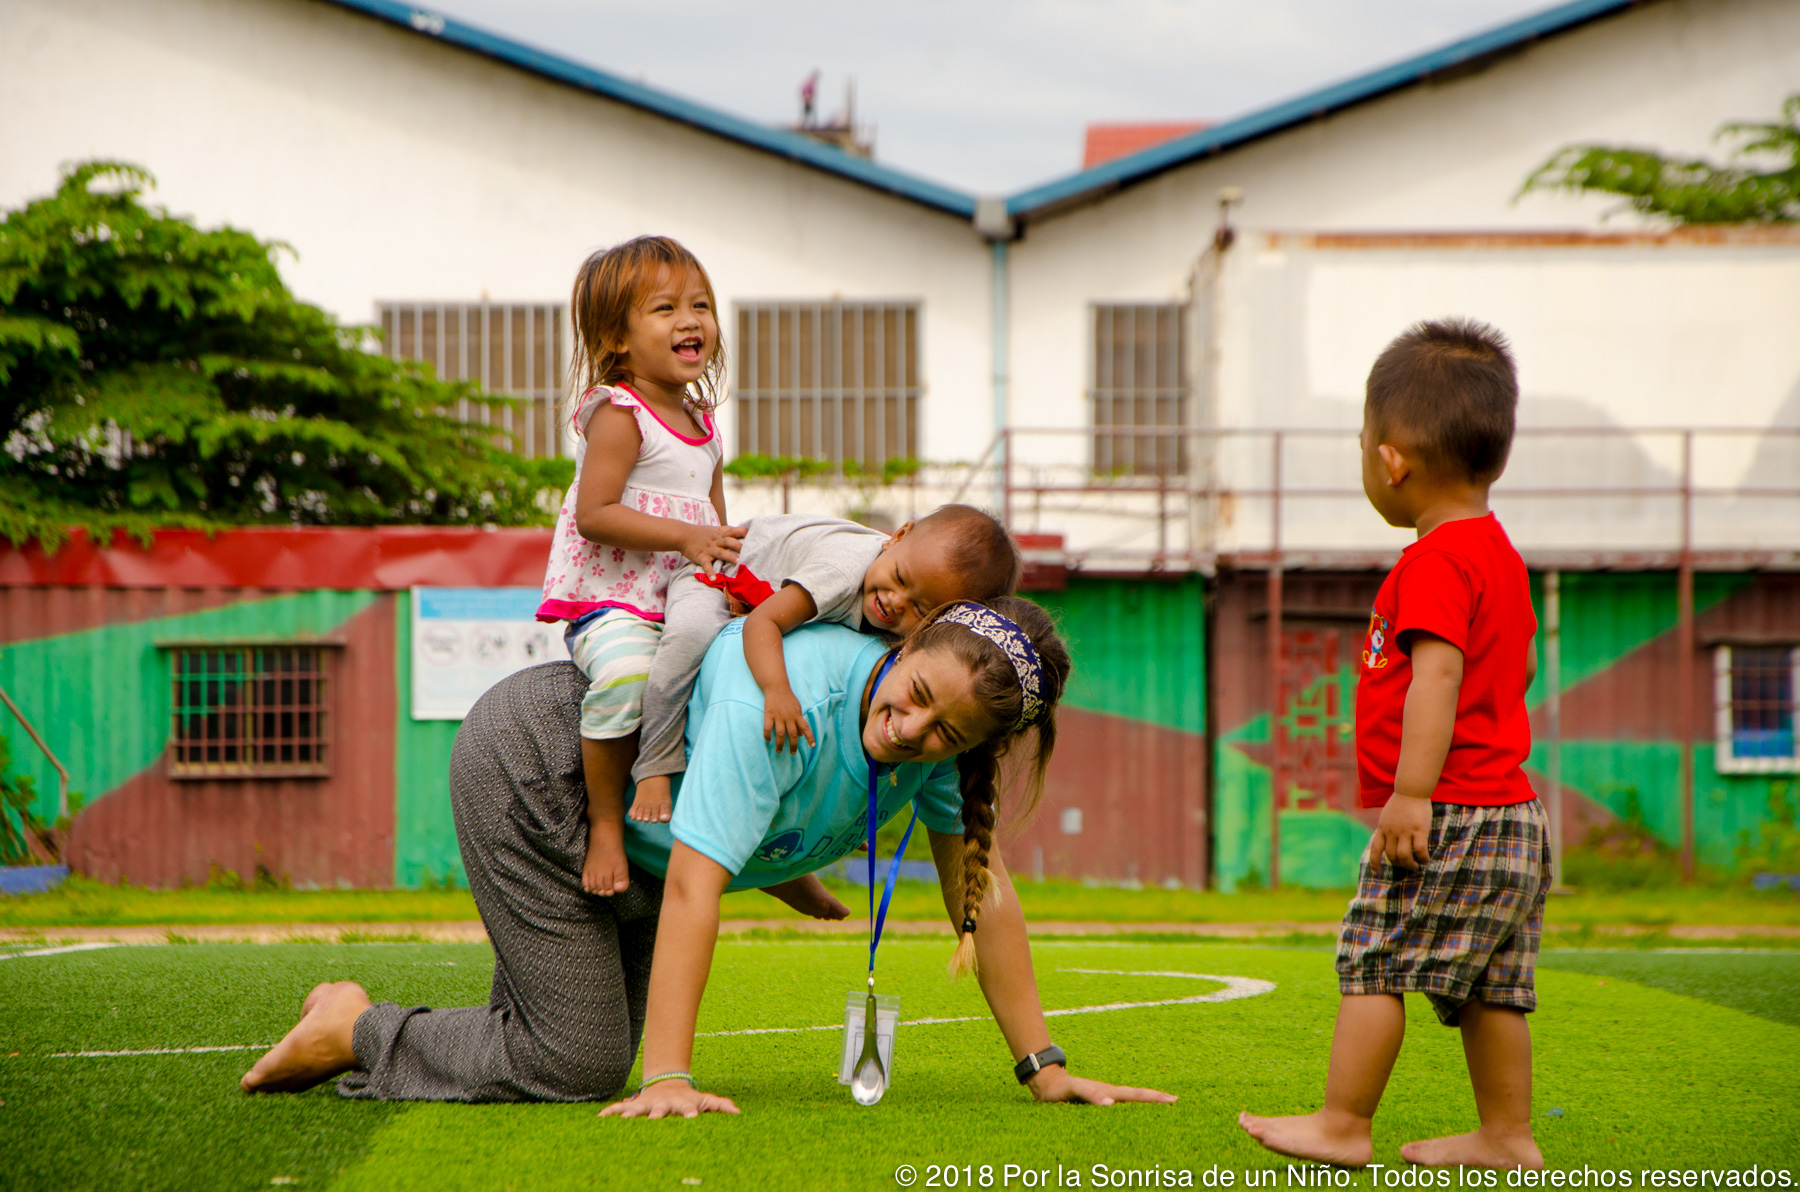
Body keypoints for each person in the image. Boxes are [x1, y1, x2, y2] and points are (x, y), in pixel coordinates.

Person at [241, 597, 1177, 1116]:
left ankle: (371, 1032)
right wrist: (672, 1078)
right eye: (918, 692)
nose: (913, 728)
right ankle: (352, 1027)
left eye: (946, 733)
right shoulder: (782, 702)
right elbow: (698, 882)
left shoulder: (933, 752)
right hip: (542, 770)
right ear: (906, 644)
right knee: (577, 1062)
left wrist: (1043, 1064)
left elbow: (986, 889)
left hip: (638, 846)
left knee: (566, 1037)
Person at [1238, 319, 1549, 1170]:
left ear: (1390, 460)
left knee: (1374, 961)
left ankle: (1343, 1124)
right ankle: (1506, 1135)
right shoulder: (1501, 558)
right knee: (1493, 984)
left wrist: (1412, 794)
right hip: (1513, 813)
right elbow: (1508, 677)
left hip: (1448, 813)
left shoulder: (1434, 565)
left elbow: (1437, 678)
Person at [534, 235, 747, 900]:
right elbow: (595, 512)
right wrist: (687, 537)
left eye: (702, 305)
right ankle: (604, 824)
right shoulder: (619, 414)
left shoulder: (704, 424)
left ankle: (757, 850)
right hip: (615, 603)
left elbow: (714, 530)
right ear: (616, 337)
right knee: (627, 678)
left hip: (684, 604)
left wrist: (735, 580)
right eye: (666, 309)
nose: (692, 320)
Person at [628, 505, 1021, 829]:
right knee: (689, 638)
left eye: (920, 609)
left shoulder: (904, 622)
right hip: (720, 576)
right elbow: (761, 623)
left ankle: (796, 862)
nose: (895, 602)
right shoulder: (842, 573)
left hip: (771, 600)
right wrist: (777, 691)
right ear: (898, 536)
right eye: (899, 578)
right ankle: (654, 765)